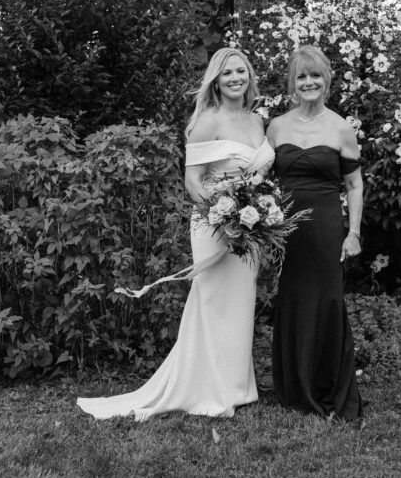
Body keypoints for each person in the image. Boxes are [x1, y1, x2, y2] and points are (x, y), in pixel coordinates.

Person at [76, 48, 274, 421]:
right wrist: (221, 217)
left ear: (250, 76)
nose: (236, 78)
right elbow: (192, 180)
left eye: (241, 71)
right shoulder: (206, 122)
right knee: (213, 303)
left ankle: (237, 387)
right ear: (216, 79)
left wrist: (255, 218)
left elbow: (259, 177)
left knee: (241, 304)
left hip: (251, 227)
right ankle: (208, 389)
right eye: (227, 72)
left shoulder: (256, 120)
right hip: (214, 224)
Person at [265, 44, 363, 421]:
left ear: (327, 81)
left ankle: (326, 388)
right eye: (301, 76)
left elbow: (354, 186)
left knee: (327, 303)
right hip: (287, 230)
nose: (308, 82)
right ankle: (293, 387)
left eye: (315, 76)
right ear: (293, 82)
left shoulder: (341, 127)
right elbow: (258, 180)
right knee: (293, 302)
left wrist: (352, 233)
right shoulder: (276, 126)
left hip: (325, 228)